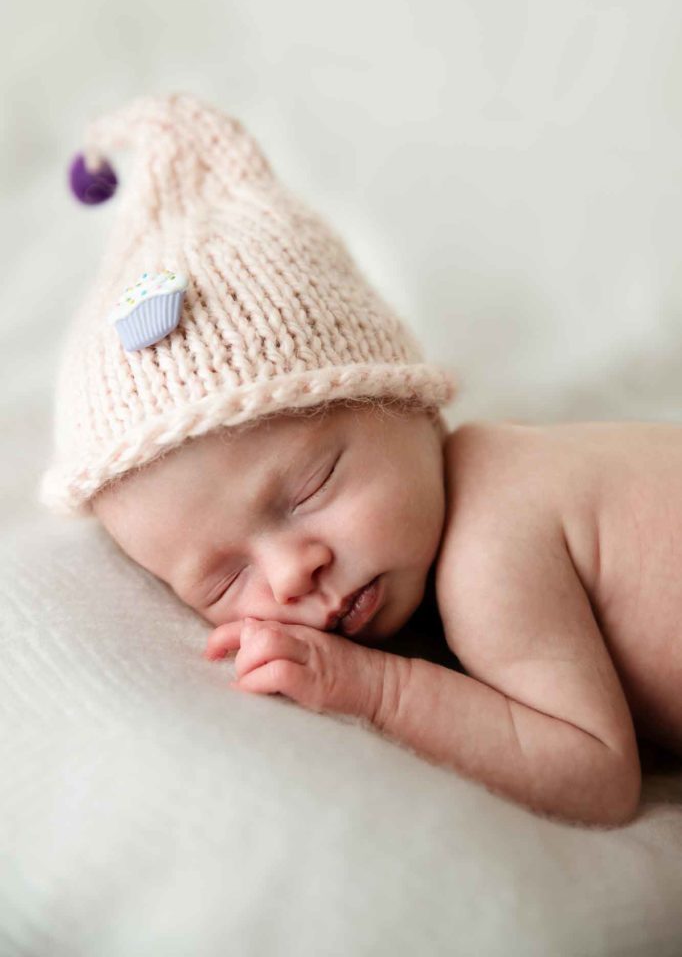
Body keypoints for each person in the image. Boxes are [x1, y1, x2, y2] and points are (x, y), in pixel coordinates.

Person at [41, 92, 677, 831]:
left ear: (409, 403)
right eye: (225, 578)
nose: (288, 575)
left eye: (310, 487)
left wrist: (375, 690)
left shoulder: (494, 525)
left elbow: (593, 773)